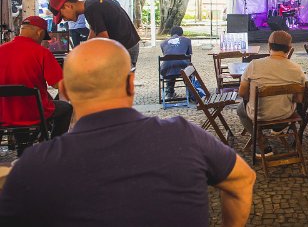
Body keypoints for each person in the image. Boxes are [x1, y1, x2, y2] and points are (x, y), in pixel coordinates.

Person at [0, 39, 255, 227]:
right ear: (131, 84)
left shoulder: (33, 167)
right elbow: (242, 180)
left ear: (64, 90)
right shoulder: (185, 136)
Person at [0, 16, 72, 139]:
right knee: (66, 108)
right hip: (34, 113)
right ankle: (54, 144)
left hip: (4, 114)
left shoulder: (1, 49)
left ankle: (22, 145)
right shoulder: (42, 53)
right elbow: (59, 84)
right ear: (40, 32)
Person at [237, 31, 306, 157]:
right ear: (289, 48)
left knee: (240, 109)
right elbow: (299, 99)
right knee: (289, 106)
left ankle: (262, 144)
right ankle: (278, 128)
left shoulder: (254, 65)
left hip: (259, 116)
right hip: (286, 115)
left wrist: (251, 98)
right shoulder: (297, 69)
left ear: (269, 46)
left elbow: (242, 93)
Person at [48, 0, 141, 67]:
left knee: (114, 83)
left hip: (125, 48)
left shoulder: (91, 8)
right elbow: (94, 30)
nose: (65, 20)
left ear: (68, 6)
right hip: (128, 44)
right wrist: (83, 50)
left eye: (62, 16)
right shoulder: (91, 1)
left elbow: (103, 38)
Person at [160, 26, 193, 99]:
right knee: (185, 67)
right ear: (182, 33)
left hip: (167, 70)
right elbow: (189, 55)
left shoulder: (163, 43)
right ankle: (191, 92)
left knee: (171, 65)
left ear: (171, 34)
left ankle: (169, 93)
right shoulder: (187, 40)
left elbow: (166, 55)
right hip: (183, 70)